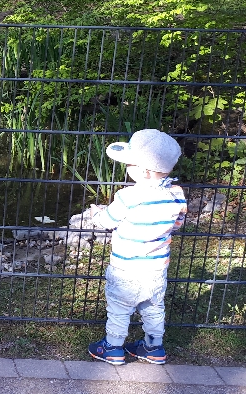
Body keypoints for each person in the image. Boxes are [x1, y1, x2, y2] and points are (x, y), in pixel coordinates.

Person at [87, 129, 187, 366]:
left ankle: (112, 347)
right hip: (155, 270)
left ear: (143, 171)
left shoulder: (128, 196)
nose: (127, 168)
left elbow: (107, 222)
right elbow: (178, 223)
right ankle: (153, 347)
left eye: (129, 164)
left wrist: (95, 214)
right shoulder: (176, 194)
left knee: (119, 309)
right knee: (153, 308)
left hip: (125, 269)